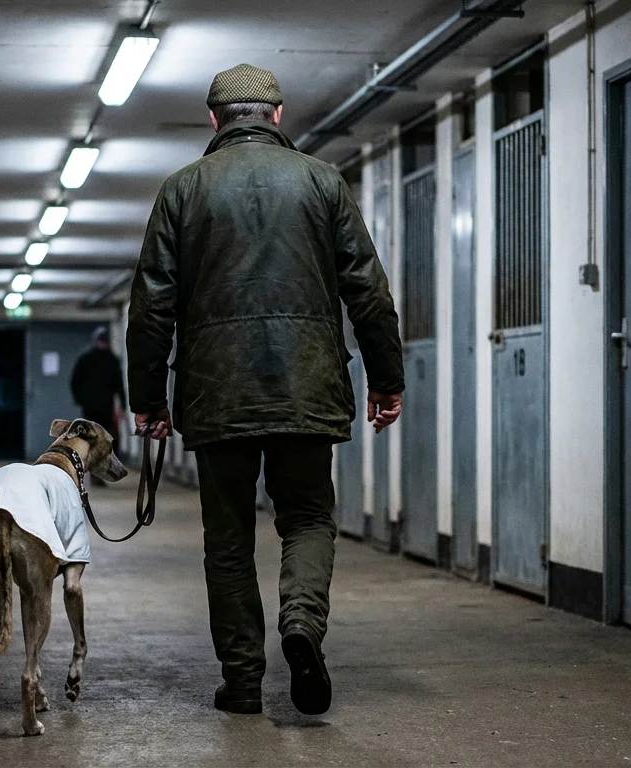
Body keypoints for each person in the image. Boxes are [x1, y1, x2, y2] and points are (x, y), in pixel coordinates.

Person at [126, 63, 404, 717]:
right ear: (278, 115)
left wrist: (148, 398)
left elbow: (151, 306)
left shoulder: (182, 190)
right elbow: (368, 290)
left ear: (214, 120)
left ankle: (244, 680)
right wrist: (386, 379)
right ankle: (300, 624)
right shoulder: (323, 182)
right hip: (307, 386)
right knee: (305, 518)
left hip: (217, 394)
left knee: (227, 539)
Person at [69, 327, 128, 462]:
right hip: (100, 405)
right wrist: (122, 405)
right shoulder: (110, 360)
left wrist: (79, 400)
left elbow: (75, 382)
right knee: (100, 437)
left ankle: (96, 464)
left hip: (96, 405)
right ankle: (97, 464)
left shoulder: (87, 359)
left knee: (95, 437)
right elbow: (119, 385)